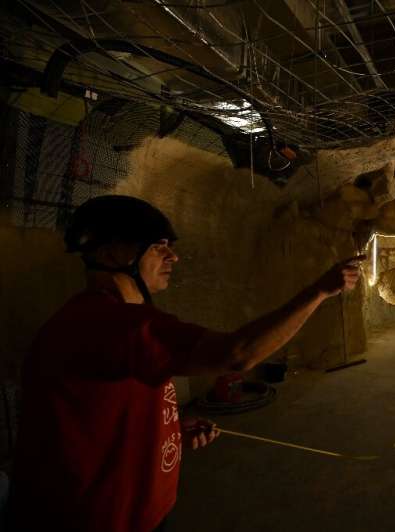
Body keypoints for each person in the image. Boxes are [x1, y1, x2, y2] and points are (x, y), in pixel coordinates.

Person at [8, 195, 363, 532]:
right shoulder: (108, 324)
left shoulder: (114, 320)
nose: (172, 257)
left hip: (136, 514)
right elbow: (237, 354)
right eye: (158, 246)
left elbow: (99, 414)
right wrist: (319, 290)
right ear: (111, 252)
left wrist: (171, 428)